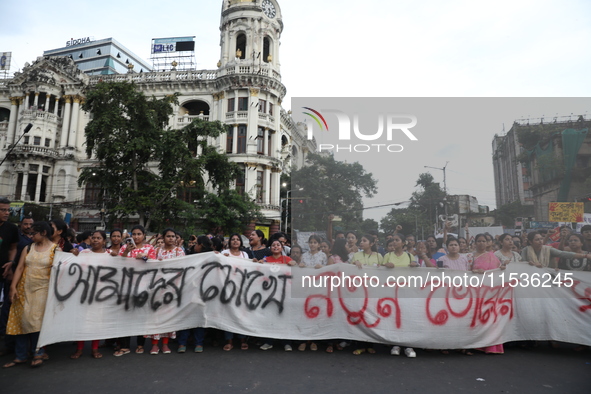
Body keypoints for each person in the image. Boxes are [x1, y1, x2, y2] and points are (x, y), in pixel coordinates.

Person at [4, 222, 58, 368]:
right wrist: (13, 287)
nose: (31, 236)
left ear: (44, 233)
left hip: (43, 290)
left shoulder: (55, 250)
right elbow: (20, 267)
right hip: (23, 289)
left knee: (35, 322)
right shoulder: (28, 248)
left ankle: (38, 353)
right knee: (21, 320)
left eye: (34, 233)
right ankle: (21, 356)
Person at [115, 225, 156, 356]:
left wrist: (144, 257)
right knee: (125, 316)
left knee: (141, 316)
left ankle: (140, 344)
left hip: (143, 286)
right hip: (126, 286)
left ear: (144, 235)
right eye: (134, 234)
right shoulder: (124, 248)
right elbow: (118, 263)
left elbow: (155, 264)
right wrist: (127, 251)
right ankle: (125, 346)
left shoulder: (149, 248)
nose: (136, 237)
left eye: (139, 234)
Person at [71, 231, 109, 360]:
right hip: (84, 292)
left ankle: (94, 348)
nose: (95, 240)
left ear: (104, 241)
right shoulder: (84, 253)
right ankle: (79, 349)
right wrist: (73, 256)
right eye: (93, 238)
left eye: (99, 238)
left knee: (96, 322)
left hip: (101, 294)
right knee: (81, 321)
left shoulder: (109, 255)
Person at [147, 228, 183, 355]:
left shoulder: (179, 251)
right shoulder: (157, 251)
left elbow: (183, 268)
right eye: (168, 236)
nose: (171, 238)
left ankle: (165, 344)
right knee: (156, 317)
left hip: (172, 290)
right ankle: (155, 345)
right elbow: (150, 265)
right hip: (157, 289)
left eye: (173, 236)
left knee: (168, 317)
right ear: (163, 237)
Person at [0, 214, 30, 355]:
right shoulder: (21, 238)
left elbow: (13, 251)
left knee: (9, 308)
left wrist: (11, 266)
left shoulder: (10, 230)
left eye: (8, 210)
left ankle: (10, 343)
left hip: (10, 275)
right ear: (21, 225)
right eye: (26, 224)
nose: (29, 227)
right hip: (13, 277)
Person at [471, 233, 505, 354]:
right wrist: (474, 272)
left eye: (483, 241)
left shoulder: (493, 257)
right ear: (475, 243)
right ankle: (476, 344)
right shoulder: (470, 256)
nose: (481, 243)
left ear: (487, 243)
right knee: (476, 317)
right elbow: (465, 272)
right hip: (475, 291)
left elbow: (498, 271)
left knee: (491, 317)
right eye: (479, 241)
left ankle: (491, 346)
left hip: (490, 291)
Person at [259, 240, 296, 351]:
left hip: (284, 294)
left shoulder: (288, 259)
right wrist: (257, 263)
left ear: (282, 247)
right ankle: (268, 341)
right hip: (269, 294)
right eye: (273, 245)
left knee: (284, 318)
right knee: (269, 318)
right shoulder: (266, 259)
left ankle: (286, 342)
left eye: (278, 245)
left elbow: (296, 270)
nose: (275, 247)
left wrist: (294, 264)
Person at [177, 236, 210, 353]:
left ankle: (198, 343)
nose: (193, 245)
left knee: (199, 317)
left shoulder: (211, 257)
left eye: (196, 243)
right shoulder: (189, 254)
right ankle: (182, 342)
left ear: (201, 245)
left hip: (203, 291)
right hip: (189, 290)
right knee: (186, 315)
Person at [521, 231, 590, 269]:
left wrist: (585, 256)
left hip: (546, 277)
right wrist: (529, 264)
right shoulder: (525, 250)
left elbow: (563, 254)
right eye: (537, 240)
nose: (540, 241)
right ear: (530, 242)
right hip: (530, 276)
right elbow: (521, 264)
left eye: (541, 239)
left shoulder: (548, 249)